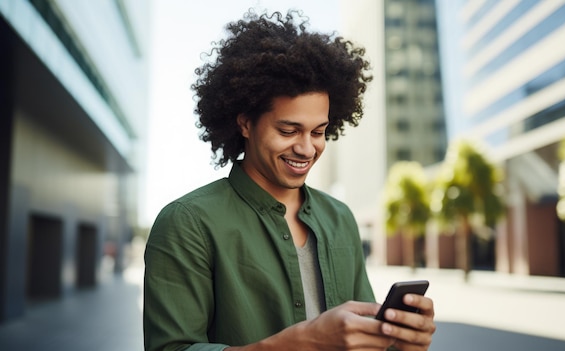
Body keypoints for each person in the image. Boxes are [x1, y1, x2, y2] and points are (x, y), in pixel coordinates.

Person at [143, 9, 436, 351]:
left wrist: (401, 341)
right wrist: (301, 343)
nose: (306, 148)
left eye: (319, 131)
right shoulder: (187, 223)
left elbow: (362, 339)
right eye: (288, 130)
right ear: (245, 124)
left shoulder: (340, 218)